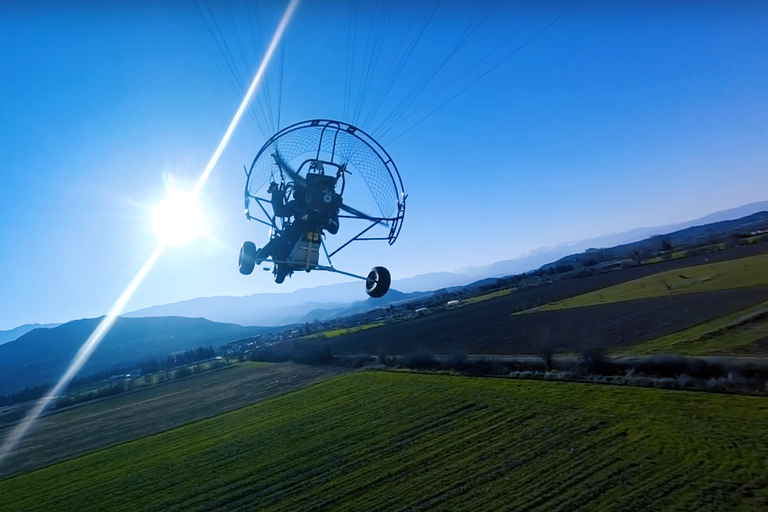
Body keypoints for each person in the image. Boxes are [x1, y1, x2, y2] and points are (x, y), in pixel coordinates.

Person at [256, 172, 341, 283]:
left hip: (294, 239)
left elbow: (279, 211)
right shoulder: (328, 211)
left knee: (277, 242)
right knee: (283, 243)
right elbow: (334, 229)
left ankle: (259, 256)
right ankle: (266, 259)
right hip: (313, 241)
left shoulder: (300, 204)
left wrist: (275, 192)